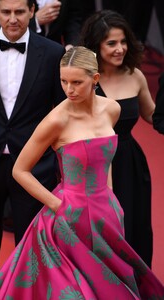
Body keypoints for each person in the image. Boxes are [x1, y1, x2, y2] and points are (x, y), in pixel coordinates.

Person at [0, 46, 164, 300]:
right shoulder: (56, 120)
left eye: (77, 82)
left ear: (95, 79)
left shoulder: (112, 110)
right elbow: (20, 170)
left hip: (106, 213)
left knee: (111, 289)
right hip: (67, 218)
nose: (69, 89)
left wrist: (111, 198)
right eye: (64, 81)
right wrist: (58, 205)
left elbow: (103, 159)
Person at [0, 0, 66, 298]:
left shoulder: (52, 53)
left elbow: (62, 113)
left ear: (33, 11)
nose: (12, 19)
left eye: (20, 12)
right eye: (6, 12)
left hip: (35, 168)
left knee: (32, 256)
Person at [79, 10, 155, 268]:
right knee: (102, 233)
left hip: (130, 164)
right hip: (93, 166)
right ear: (96, 45)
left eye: (123, 41)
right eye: (111, 43)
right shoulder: (83, 81)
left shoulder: (135, 75)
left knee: (136, 226)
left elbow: (152, 116)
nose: (120, 48)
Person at [0, 0, 82, 49]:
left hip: (55, 58)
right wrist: (34, 20)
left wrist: (71, 45)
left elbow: (74, 17)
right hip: (8, 53)